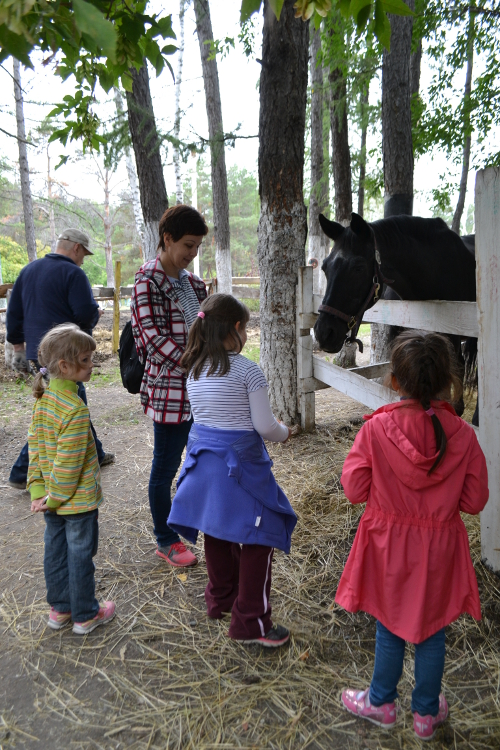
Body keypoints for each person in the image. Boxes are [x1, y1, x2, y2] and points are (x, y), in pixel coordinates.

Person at [336, 331, 489, 740]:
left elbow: (353, 490)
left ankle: (381, 702)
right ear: (446, 382)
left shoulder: (375, 430)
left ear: (394, 381)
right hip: (439, 549)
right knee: (432, 630)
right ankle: (425, 714)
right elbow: (474, 502)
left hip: (387, 546)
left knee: (389, 626)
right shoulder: (464, 436)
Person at [168, 293, 296, 647]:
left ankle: (221, 600)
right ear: (238, 328)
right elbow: (265, 426)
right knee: (262, 536)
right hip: (240, 466)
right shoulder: (247, 370)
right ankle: (252, 622)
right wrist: (286, 432)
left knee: (218, 529)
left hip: (204, 463)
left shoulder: (194, 368)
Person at [131, 205, 208, 568]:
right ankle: (166, 539)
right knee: (165, 467)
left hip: (202, 390)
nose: (192, 254)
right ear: (167, 238)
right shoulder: (146, 280)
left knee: (198, 461)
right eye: (187, 245)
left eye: (196, 248)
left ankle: (192, 522)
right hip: (170, 391)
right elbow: (150, 336)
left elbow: (205, 331)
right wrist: (197, 360)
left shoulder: (193, 283)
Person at [7, 228, 114, 490]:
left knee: (69, 400)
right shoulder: (73, 273)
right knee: (66, 405)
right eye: (84, 254)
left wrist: (18, 344)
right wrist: (95, 313)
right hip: (68, 354)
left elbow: (14, 313)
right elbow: (84, 313)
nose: (83, 260)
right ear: (76, 248)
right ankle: (21, 472)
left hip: (39, 353)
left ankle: (96, 453)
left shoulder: (29, 270)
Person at [28, 324, 115, 635]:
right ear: (65, 366)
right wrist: (54, 497)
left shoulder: (43, 401)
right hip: (75, 504)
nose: (92, 365)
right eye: (86, 359)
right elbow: (69, 465)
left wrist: (39, 491)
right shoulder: (75, 410)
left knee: (55, 553)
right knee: (80, 557)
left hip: (50, 500)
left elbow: (35, 449)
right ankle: (86, 614)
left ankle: (60, 609)